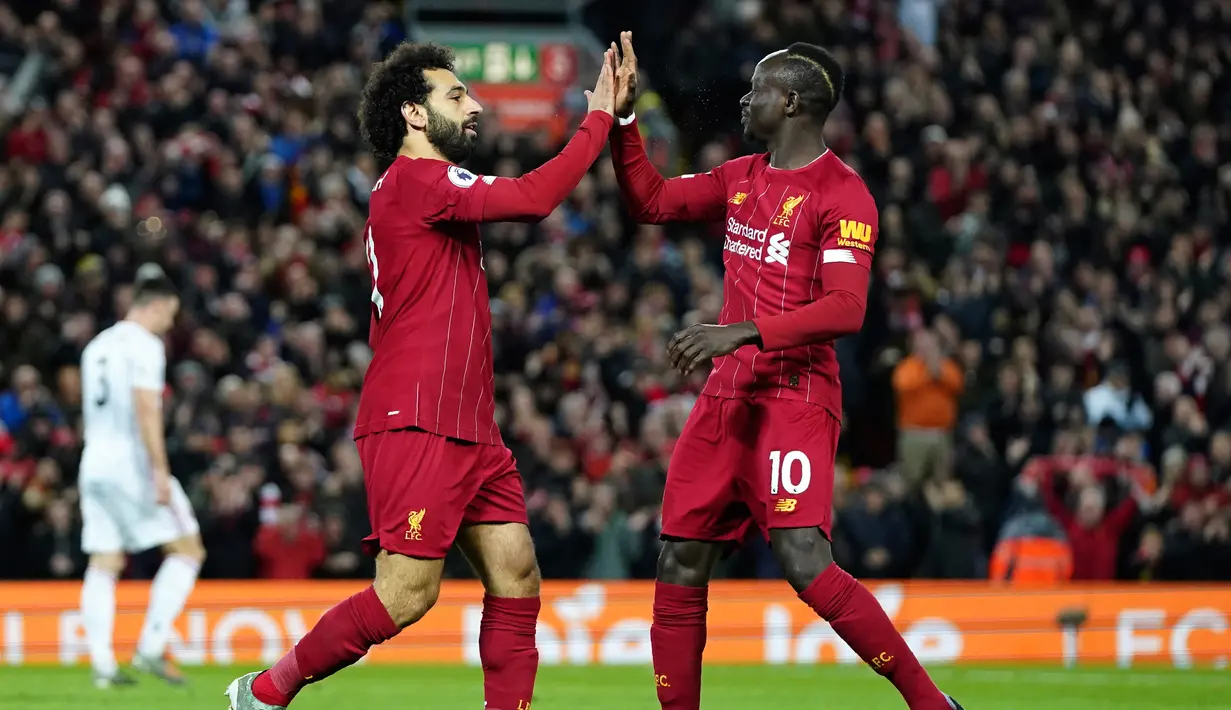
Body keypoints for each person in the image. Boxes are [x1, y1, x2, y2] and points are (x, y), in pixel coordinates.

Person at [225, 41, 618, 710]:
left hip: (470, 425)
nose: (476, 106)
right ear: (413, 113)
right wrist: (599, 119)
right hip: (417, 418)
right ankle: (263, 692)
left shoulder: (428, 194)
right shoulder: (417, 182)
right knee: (406, 596)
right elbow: (532, 198)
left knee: (517, 575)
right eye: (456, 95)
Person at [608, 33, 963, 710]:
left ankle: (930, 703)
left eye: (757, 90)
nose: (744, 100)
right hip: (727, 396)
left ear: (791, 101)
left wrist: (740, 331)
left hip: (794, 392)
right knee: (678, 557)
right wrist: (625, 122)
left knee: (803, 559)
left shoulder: (843, 195)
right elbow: (650, 200)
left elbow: (845, 308)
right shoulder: (739, 176)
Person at [78, 263, 204, 688]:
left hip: (93, 462)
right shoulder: (145, 345)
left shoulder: (95, 346)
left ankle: (103, 667)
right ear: (156, 306)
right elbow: (146, 408)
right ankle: (151, 646)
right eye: (170, 315)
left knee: (105, 560)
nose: (170, 324)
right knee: (188, 549)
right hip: (130, 463)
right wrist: (160, 472)